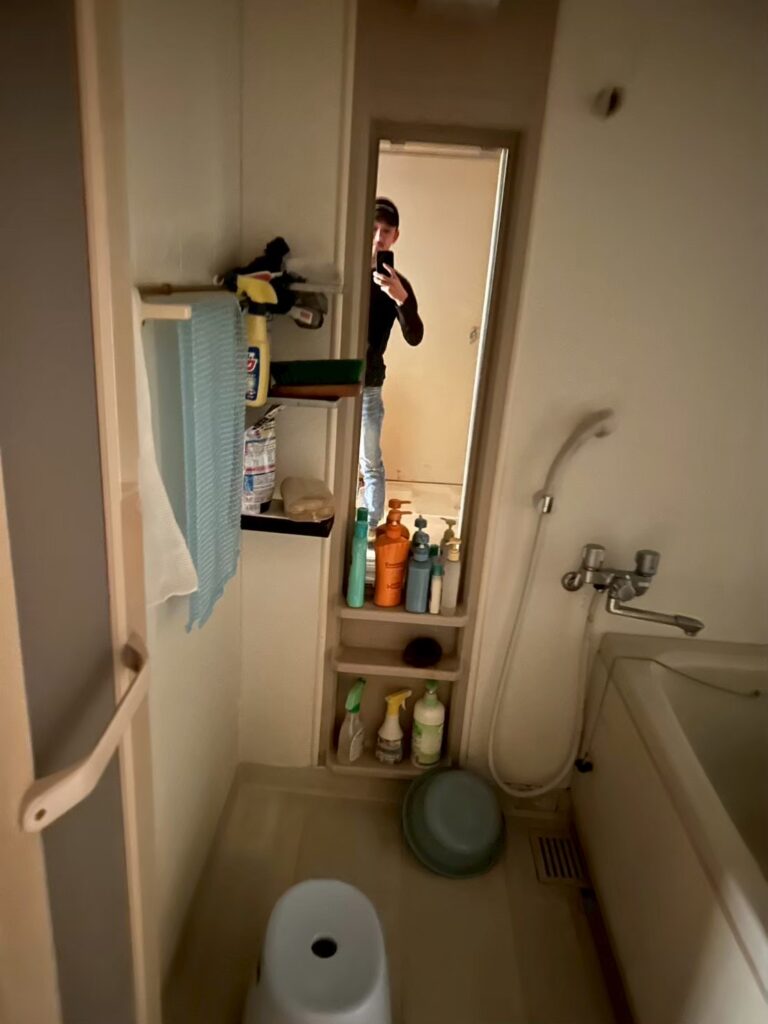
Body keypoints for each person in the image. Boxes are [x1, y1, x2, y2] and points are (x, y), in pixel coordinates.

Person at [360, 197, 424, 527]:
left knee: (370, 462)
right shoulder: (349, 273)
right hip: (337, 380)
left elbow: (415, 336)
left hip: (369, 384)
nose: (378, 238)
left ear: (395, 236)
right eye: (373, 229)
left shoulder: (397, 284)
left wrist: (401, 299)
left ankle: (370, 527)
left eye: (385, 231)